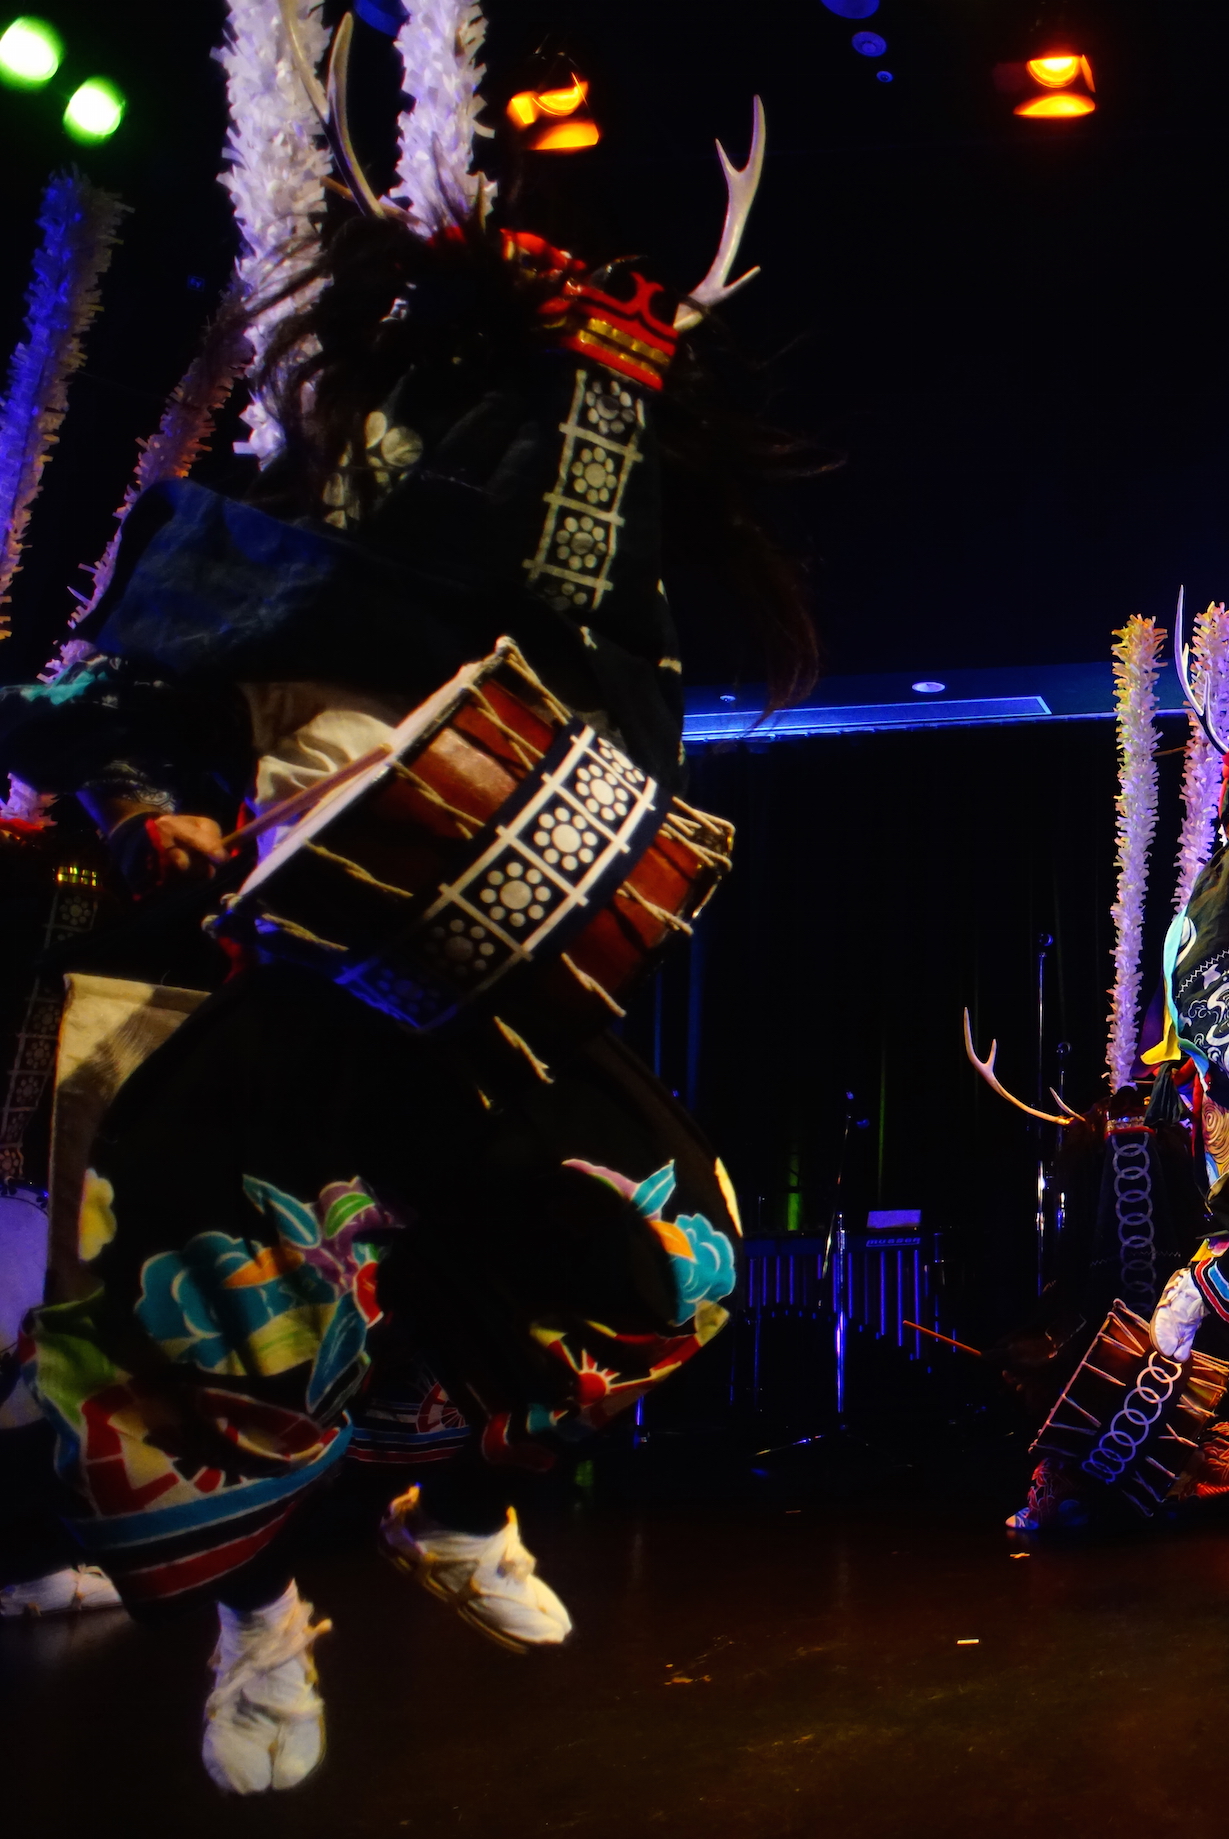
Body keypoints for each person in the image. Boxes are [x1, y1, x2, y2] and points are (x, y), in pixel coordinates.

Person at [0, 29, 810, 1789]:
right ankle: (256, 1617)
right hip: (293, 1001)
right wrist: (154, 824)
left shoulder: (574, 614)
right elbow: (84, 716)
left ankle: (463, 1511)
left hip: (493, 1011)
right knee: (202, 1301)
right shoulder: (244, 560)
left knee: (673, 1252)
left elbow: (620, 704)